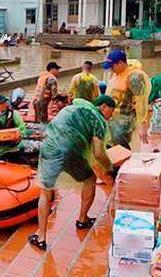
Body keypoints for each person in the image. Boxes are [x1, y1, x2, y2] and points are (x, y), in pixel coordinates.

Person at [29, 98, 112, 250]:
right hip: (71, 153)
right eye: (110, 113)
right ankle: (82, 219)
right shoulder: (98, 119)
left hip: (49, 148)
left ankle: (41, 237)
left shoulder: (71, 108)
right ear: (104, 106)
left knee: (45, 192)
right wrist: (109, 168)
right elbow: (99, 153)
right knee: (90, 179)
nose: (110, 117)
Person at [103, 50, 151, 152]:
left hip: (125, 121)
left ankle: (125, 163)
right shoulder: (118, 73)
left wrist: (143, 125)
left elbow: (141, 102)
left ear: (120, 63)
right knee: (112, 146)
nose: (111, 69)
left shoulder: (134, 77)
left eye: (112, 66)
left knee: (122, 149)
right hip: (114, 118)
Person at [0, 94, 28, 161]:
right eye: (1, 103)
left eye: (5, 102)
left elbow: (22, 128)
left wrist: (19, 134)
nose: (4, 104)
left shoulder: (14, 114)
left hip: (13, 147)